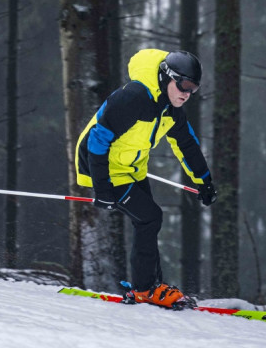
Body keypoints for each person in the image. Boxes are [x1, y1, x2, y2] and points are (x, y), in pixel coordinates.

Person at [74, 49, 216, 309]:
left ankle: (152, 286)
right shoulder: (134, 97)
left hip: (132, 166)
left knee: (148, 223)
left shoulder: (171, 109)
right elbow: (98, 138)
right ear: (167, 77)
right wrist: (102, 187)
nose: (187, 93)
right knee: (151, 217)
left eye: (193, 88)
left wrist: (204, 181)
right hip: (101, 166)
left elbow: (187, 145)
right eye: (183, 85)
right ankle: (144, 290)